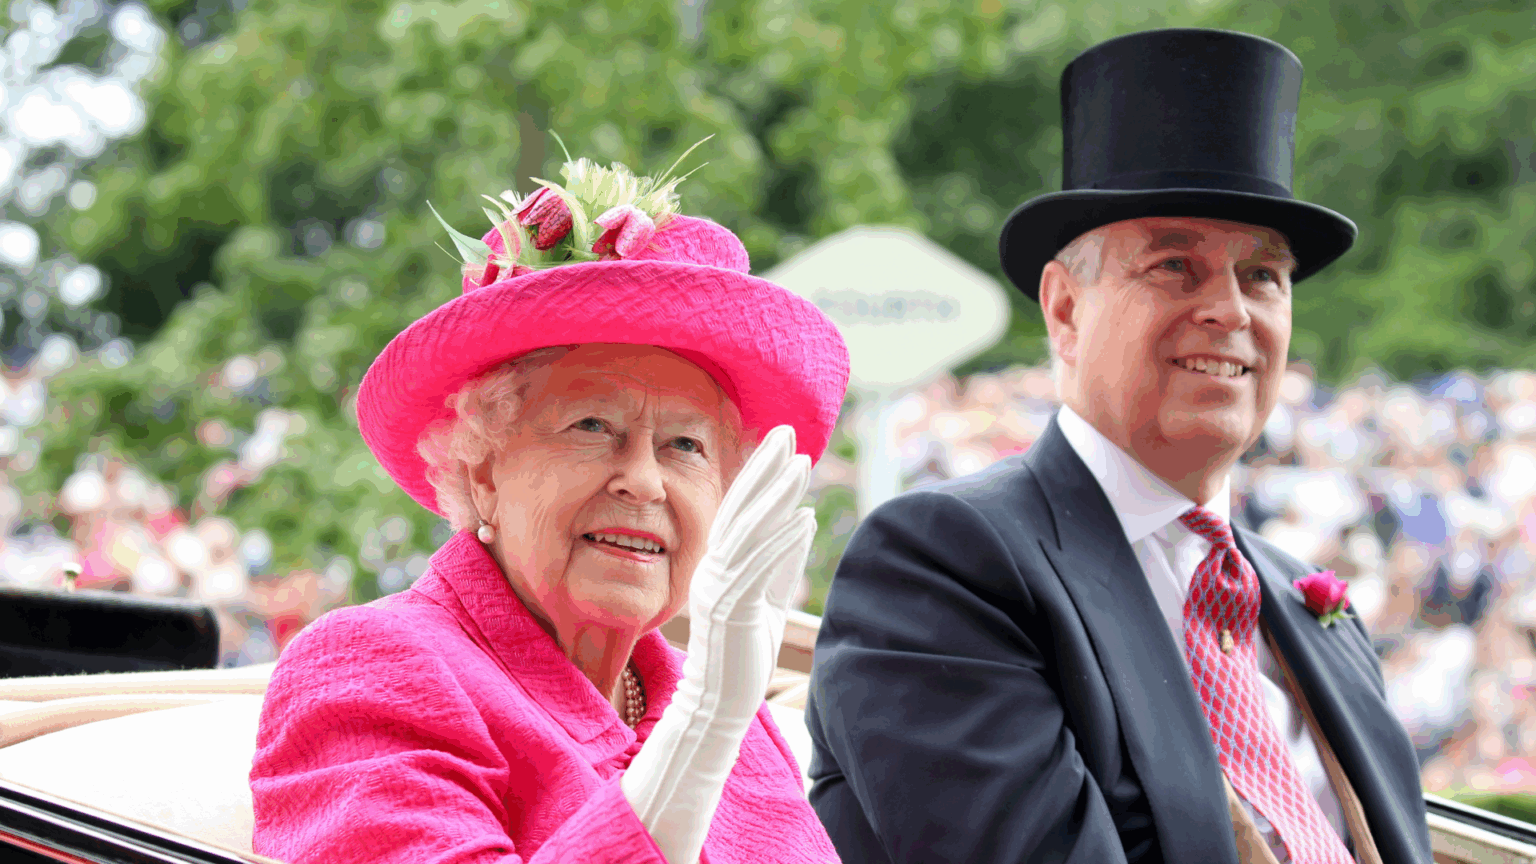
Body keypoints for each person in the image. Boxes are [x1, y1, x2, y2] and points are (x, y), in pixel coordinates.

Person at [805, 29, 1432, 864]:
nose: (1231, 312)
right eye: (1175, 265)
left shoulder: (1310, 606)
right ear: (1065, 311)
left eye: (1263, 276)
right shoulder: (944, 566)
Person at [249, 147, 849, 864]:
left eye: (686, 446)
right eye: (592, 426)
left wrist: (714, 712)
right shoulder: (369, 668)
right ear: (482, 466)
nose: (645, 482)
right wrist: (700, 729)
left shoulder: (723, 701)